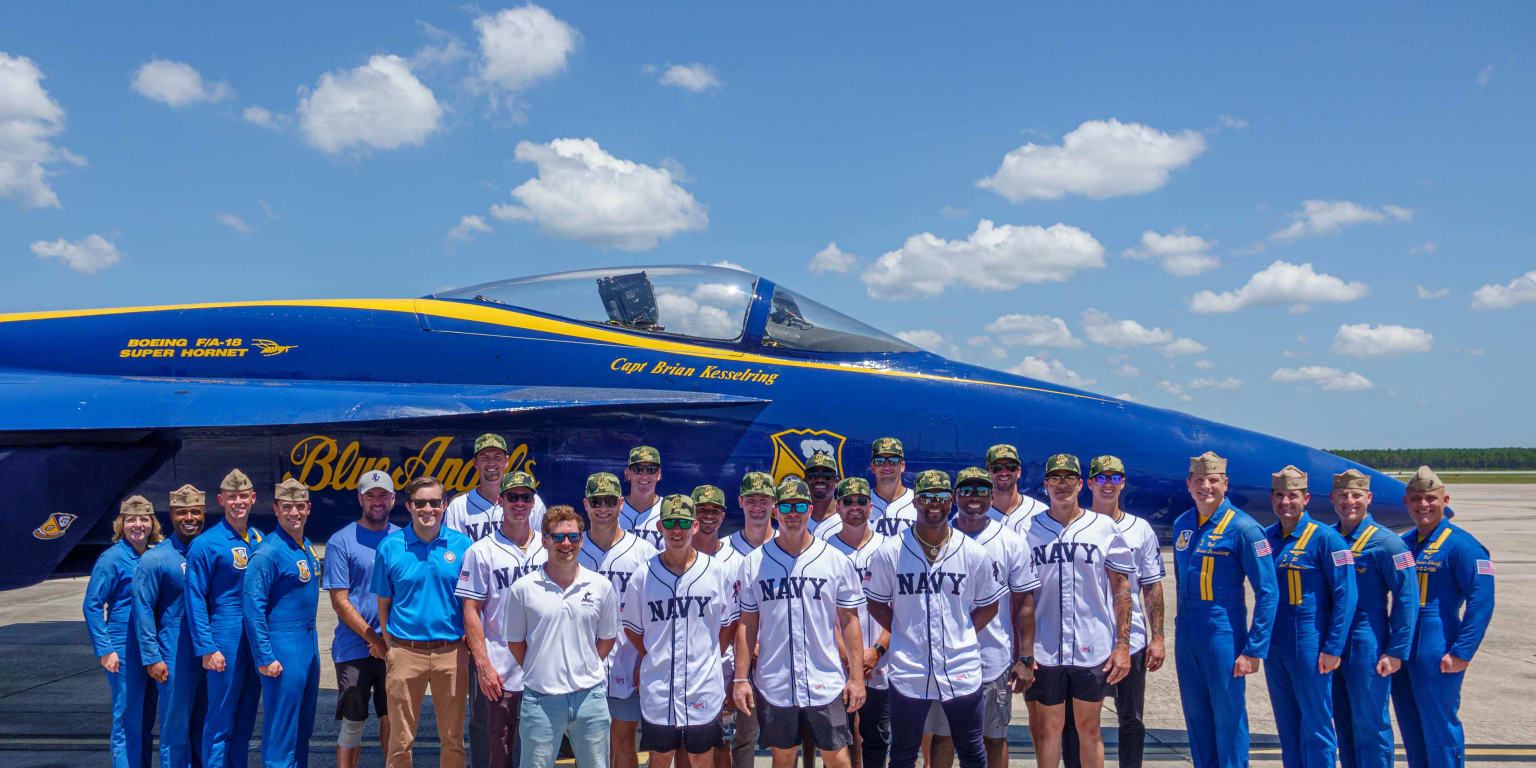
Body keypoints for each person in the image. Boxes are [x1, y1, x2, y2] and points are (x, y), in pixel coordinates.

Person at [864, 470, 1003, 768]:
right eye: (927, 497)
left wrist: (963, 631)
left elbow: (990, 605)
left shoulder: (973, 552)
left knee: (971, 750)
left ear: (951, 501)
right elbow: (875, 601)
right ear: (916, 502)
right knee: (902, 752)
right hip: (909, 670)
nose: (934, 503)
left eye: (941, 497)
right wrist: (901, 630)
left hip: (961, 667)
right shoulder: (890, 551)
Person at [735, 476, 867, 768]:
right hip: (775, 681)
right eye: (786, 506)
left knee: (839, 759)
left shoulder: (834, 559)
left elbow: (849, 622)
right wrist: (741, 679)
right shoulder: (754, 563)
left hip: (825, 679)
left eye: (799, 506)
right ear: (776, 511)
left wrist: (856, 678)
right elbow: (747, 624)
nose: (792, 513)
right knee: (783, 760)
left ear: (810, 509)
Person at [1022, 455, 1135, 768]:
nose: (1062, 484)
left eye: (1068, 477)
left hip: (1092, 646)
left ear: (1081, 483)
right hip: (1045, 649)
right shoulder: (1030, 530)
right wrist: (1022, 652)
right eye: (1055, 478)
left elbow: (1122, 589)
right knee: (1048, 731)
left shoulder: (1103, 527)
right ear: (1045, 485)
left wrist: (1123, 646)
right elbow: (1021, 597)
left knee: (1089, 729)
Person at [1171, 451, 1278, 768]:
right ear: (1189, 484)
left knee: (1228, 717)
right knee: (1197, 717)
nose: (1206, 486)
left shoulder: (1244, 529)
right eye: (1199, 480)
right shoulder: (1183, 524)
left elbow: (1268, 592)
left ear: (1225, 483)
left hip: (1223, 636)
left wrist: (1254, 649)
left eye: (1213, 480)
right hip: (1187, 636)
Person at [445, 433, 545, 768]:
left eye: (497, 457)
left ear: (506, 461)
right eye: (484, 457)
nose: (491, 463)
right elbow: (455, 566)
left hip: (538, 647)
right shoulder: (460, 508)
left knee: (535, 724)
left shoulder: (538, 514)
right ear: (475, 463)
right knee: (486, 718)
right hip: (488, 634)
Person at [1062, 456, 1165, 768]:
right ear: (1089, 483)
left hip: (1129, 642)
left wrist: (1157, 636)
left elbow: (1151, 585)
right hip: (1085, 641)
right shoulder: (1074, 526)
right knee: (1075, 722)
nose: (1108, 485)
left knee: (1131, 718)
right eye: (1101, 478)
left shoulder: (1141, 529)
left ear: (1123, 483)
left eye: (1115, 478)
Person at [623, 494, 741, 766]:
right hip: (659, 686)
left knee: (701, 757)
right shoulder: (643, 574)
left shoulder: (716, 571)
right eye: (671, 522)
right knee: (661, 757)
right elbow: (632, 629)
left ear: (695, 527)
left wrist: (709, 656)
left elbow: (728, 625)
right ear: (660, 527)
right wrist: (655, 654)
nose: (677, 530)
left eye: (684, 523)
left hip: (703, 686)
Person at [498, 505, 619, 768]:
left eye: (573, 537)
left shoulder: (601, 586)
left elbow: (607, 638)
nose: (566, 543)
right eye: (558, 537)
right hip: (540, 700)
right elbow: (516, 642)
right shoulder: (522, 589)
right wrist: (540, 667)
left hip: (590, 699)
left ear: (581, 540)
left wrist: (584, 663)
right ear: (545, 541)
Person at [931, 467, 1037, 768]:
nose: (973, 498)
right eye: (966, 491)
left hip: (994, 658)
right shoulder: (936, 539)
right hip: (946, 658)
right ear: (954, 497)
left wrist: (1026, 658)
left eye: (981, 491)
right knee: (944, 736)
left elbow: (1024, 605)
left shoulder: (1010, 541)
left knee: (993, 738)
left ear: (992, 496)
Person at [1391, 466, 1496, 768]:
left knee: (1440, 728)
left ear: (1445, 500)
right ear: (1406, 502)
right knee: (1411, 728)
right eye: (1416, 499)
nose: (1423, 505)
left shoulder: (1464, 546)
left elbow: (1481, 602)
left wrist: (1462, 651)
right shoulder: (1404, 543)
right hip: (1403, 646)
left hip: (1437, 645)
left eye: (1430, 499)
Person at [373, 476, 473, 768]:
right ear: (409, 506)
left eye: (434, 502)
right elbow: (383, 602)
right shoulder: (390, 547)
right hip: (406, 652)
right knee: (400, 741)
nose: (427, 508)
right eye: (420, 502)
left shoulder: (463, 545)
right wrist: (390, 645)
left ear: (444, 505)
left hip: (451, 653)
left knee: (453, 738)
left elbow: (471, 600)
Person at [1262, 466, 1358, 768]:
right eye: (1279, 495)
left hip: (1310, 642)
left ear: (1307, 499)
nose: (1285, 502)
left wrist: (1333, 648)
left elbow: (1346, 596)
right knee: (1288, 727)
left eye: (1293, 495)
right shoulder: (1267, 539)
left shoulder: (1328, 539)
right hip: (1276, 644)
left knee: (1316, 725)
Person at [1330, 469, 1419, 768]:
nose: (1349, 501)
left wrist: (1396, 651)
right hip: (1332, 642)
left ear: (1368, 498)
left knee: (1370, 723)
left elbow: (1407, 598)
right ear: (1332, 498)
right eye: (1343, 495)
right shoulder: (1327, 538)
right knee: (1342, 722)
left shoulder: (1387, 543)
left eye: (1356, 495)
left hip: (1366, 641)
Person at [578, 472, 658, 768]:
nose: (603, 508)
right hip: (581, 664)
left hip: (628, 661)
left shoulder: (643, 552)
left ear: (621, 503)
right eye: (597, 501)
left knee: (624, 743)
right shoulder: (572, 548)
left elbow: (654, 613)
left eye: (610, 501)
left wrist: (645, 658)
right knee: (586, 744)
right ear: (585, 504)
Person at [187, 468, 267, 768]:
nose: (238, 503)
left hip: (254, 638)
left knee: (245, 720)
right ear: (221, 500)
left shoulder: (259, 538)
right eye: (232, 497)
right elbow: (195, 598)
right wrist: (207, 648)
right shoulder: (206, 544)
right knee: (220, 720)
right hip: (225, 634)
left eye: (243, 497)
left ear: (253, 499)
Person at [243, 478, 323, 768]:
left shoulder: (304, 546)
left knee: (302, 729)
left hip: (308, 644)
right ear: (275, 509)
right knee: (282, 731)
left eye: (300, 507)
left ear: (309, 508)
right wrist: (265, 656)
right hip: (283, 645)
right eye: (287, 507)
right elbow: (253, 609)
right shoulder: (268, 553)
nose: (294, 513)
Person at [324, 469, 401, 768]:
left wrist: (389, 640)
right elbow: (340, 602)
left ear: (393, 499)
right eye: (371, 496)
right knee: (353, 723)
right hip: (354, 647)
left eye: (383, 495)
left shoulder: (402, 539)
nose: (377, 501)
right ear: (360, 499)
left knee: (392, 718)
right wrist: (374, 639)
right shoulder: (340, 541)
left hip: (393, 645)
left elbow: (407, 594)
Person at [133, 484, 208, 768]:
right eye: (182, 512)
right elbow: (142, 609)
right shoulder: (155, 559)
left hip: (209, 653)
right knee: (175, 730)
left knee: (204, 727)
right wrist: (152, 657)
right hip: (174, 652)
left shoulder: (206, 551)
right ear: (171, 515)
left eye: (195, 512)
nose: (189, 518)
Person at [87, 495, 162, 768]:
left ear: (152, 523)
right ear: (122, 524)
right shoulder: (113, 558)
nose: (138, 525)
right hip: (123, 644)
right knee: (127, 716)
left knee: (144, 719)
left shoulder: (155, 554)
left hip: (150, 645)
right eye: (131, 520)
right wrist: (105, 650)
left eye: (144, 519)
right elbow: (92, 605)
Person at [824, 478, 891, 768]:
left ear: (871, 506)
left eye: (861, 501)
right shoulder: (823, 552)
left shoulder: (889, 549)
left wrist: (876, 650)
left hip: (880, 662)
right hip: (836, 664)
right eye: (848, 501)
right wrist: (850, 658)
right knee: (838, 742)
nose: (855, 507)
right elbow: (822, 615)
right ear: (837, 506)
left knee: (877, 739)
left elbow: (900, 608)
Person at [689, 485, 749, 768]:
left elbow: (740, 622)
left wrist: (738, 676)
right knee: (686, 745)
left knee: (722, 743)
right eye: (702, 510)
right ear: (694, 516)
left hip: (722, 667)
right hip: (686, 668)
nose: (709, 516)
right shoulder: (677, 555)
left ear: (723, 515)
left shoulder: (736, 560)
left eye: (714, 510)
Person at [983, 444, 1049, 537]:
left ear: (1018, 472)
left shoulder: (1041, 512)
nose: (1004, 472)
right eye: (996, 468)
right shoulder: (973, 514)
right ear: (988, 473)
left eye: (1011, 466)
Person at [867, 438, 916, 538]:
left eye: (893, 461)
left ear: (902, 466)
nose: (886, 466)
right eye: (879, 461)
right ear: (873, 467)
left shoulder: (918, 501)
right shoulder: (861, 502)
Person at [620, 445, 666, 549]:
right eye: (638, 469)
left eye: (651, 470)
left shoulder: (669, 510)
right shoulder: (613, 509)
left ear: (659, 474)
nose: (644, 475)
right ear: (628, 473)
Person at [727, 471, 777, 554]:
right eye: (750, 500)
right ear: (740, 502)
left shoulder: (788, 546)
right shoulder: (725, 548)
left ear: (774, 502)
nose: (757, 506)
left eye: (763, 500)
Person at [804, 453, 842, 535]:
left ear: (836, 482)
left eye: (827, 475)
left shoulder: (849, 521)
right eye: (813, 475)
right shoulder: (794, 520)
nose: (820, 479)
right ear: (805, 482)